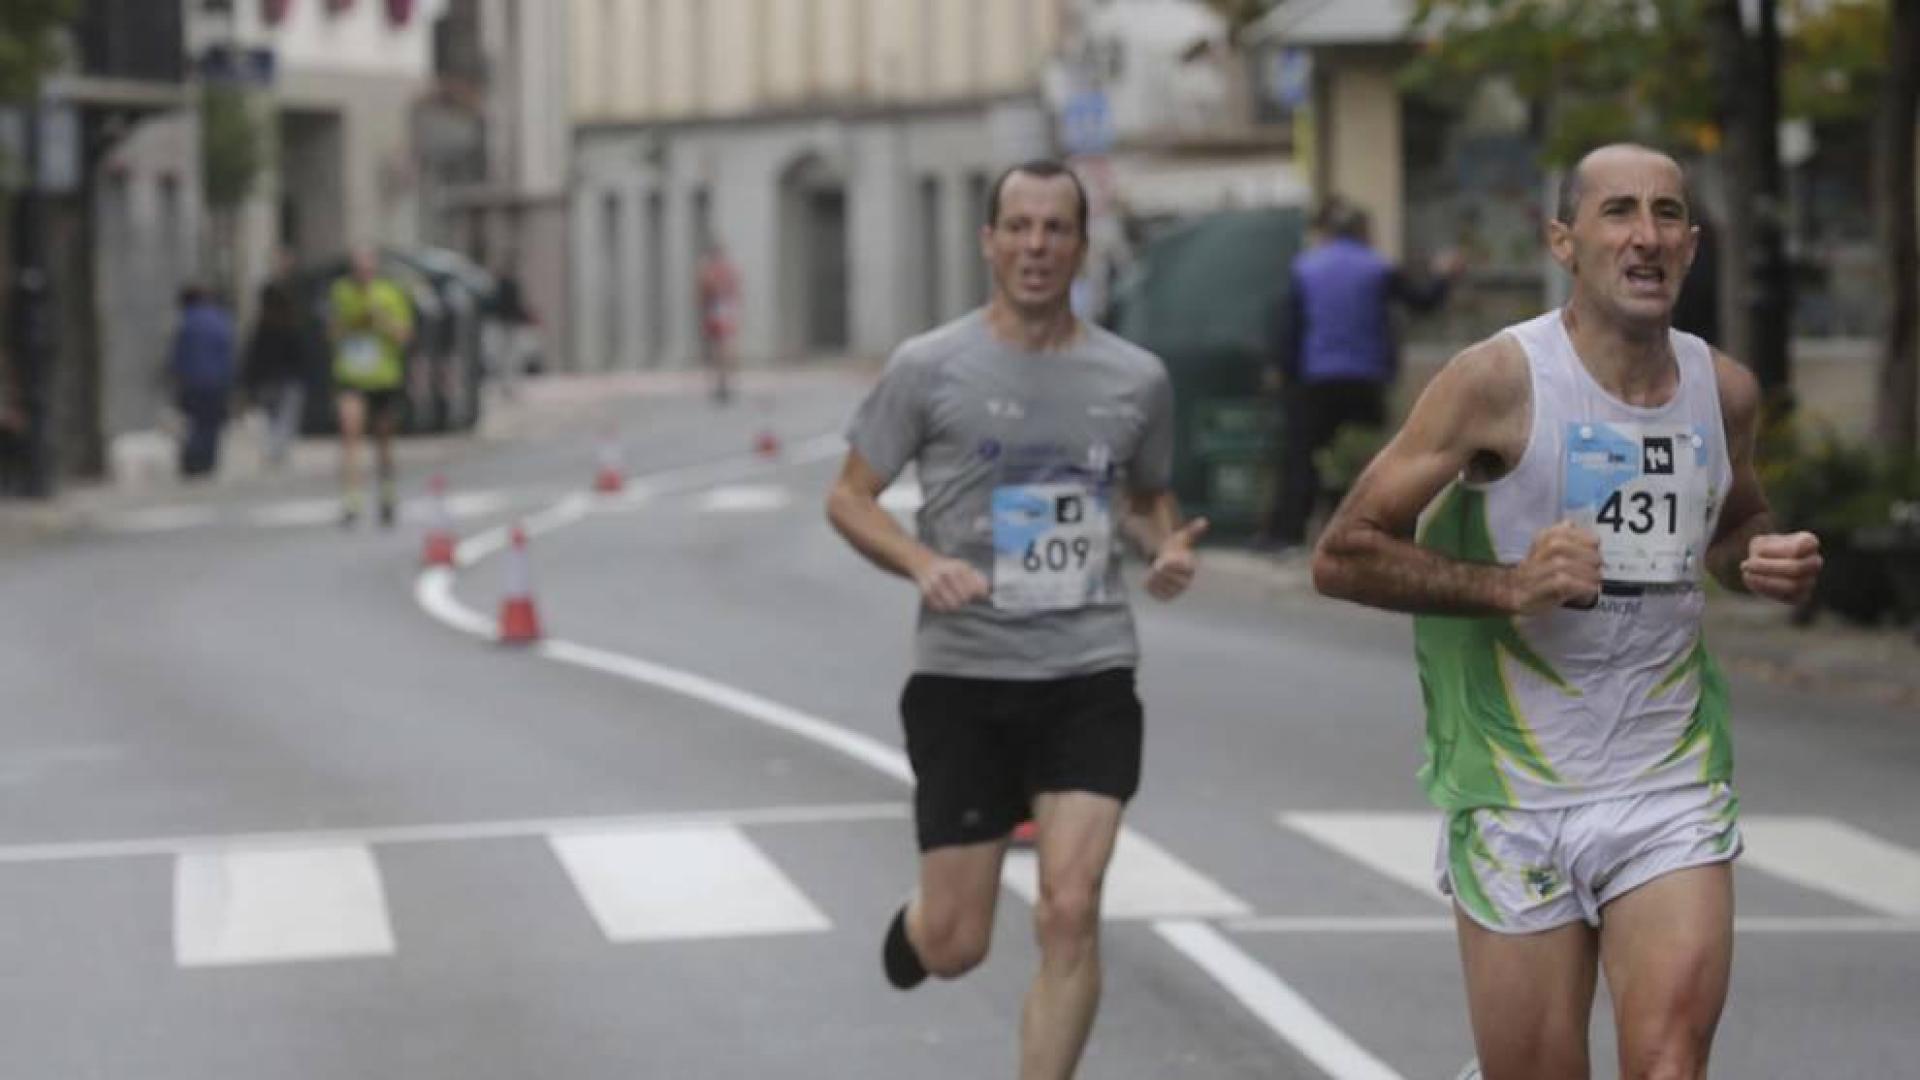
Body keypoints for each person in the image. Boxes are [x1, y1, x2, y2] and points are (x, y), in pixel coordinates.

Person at [1311, 144, 1823, 1080]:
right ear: (1563, 240)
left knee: (1670, 1062)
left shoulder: (1725, 391)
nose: (1647, 236)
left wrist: (1761, 560)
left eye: (1668, 215)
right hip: (1515, 788)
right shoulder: (1499, 381)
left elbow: (1734, 522)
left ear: (1693, 246)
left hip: (1668, 775)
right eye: (1620, 211)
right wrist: (1508, 586)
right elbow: (1343, 554)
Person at [825, 159, 1207, 1080]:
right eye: (1020, 227)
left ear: (1080, 245)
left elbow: (1148, 493)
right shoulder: (929, 367)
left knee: (1069, 908)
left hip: (1090, 669)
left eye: (1056, 229)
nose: (1037, 246)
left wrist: (1167, 545)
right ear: (989, 241)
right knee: (959, 944)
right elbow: (849, 498)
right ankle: (924, 928)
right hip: (964, 677)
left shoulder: (1136, 378)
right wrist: (921, 561)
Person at [1256, 198, 1463, 555]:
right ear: (1363, 232)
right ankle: (1375, 531)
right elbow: (1421, 302)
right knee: (1369, 461)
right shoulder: (1378, 267)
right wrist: (1443, 276)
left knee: (1301, 458)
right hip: (1365, 380)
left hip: (1315, 380)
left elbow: (1290, 329)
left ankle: (1286, 536)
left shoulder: (1306, 268)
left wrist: (1283, 374)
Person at [327, 248, 413, 527]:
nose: (363, 276)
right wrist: (353, 322)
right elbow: (332, 331)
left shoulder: (389, 293)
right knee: (350, 432)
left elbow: (404, 335)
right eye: (358, 271)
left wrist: (381, 320)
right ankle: (352, 498)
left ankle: (387, 492)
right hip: (351, 375)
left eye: (368, 270)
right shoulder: (341, 293)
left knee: (383, 439)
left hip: (384, 377)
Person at [243, 248, 316, 469]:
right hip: (282, 378)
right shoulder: (285, 326)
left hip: (275, 378)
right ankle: (276, 451)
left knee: (274, 418)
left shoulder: (271, 327)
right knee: (281, 417)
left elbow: (253, 355)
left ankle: (273, 451)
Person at [168, 284, 237, 479]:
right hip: (216, 381)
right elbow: (228, 353)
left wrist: (176, 376)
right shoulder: (220, 319)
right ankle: (207, 461)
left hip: (192, 382)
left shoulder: (186, 323)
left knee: (194, 423)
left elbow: (178, 356)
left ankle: (192, 461)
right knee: (212, 424)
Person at [696, 240, 740, 405]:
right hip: (721, 309)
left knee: (720, 347)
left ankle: (723, 380)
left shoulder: (710, 271)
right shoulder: (726, 270)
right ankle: (723, 380)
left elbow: (704, 290)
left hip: (717, 309)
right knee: (722, 346)